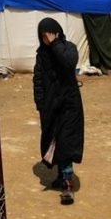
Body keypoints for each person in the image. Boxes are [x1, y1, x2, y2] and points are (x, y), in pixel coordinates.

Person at [33, 17, 84, 205]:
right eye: (43, 36)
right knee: (52, 141)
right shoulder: (41, 55)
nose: (46, 39)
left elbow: (68, 63)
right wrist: (40, 104)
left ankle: (68, 183)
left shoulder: (69, 48)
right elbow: (38, 80)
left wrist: (55, 44)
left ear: (56, 32)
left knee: (66, 141)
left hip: (69, 105)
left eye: (49, 34)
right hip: (50, 106)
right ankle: (61, 176)